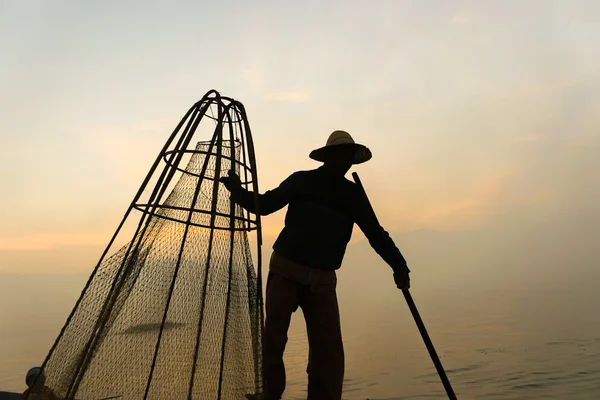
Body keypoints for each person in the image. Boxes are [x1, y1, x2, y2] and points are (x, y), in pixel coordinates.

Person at [220, 131, 410, 400]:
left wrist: (399, 266)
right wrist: (238, 192)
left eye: (348, 157)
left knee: (328, 349)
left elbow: (375, 233)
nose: (344, 161)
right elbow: (266, 204)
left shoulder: (352, 195)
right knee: (274, 339)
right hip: (286, 269)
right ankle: (270, 395)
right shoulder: (302, 180)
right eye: (339, 155)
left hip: (322, 279)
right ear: (328, 157)